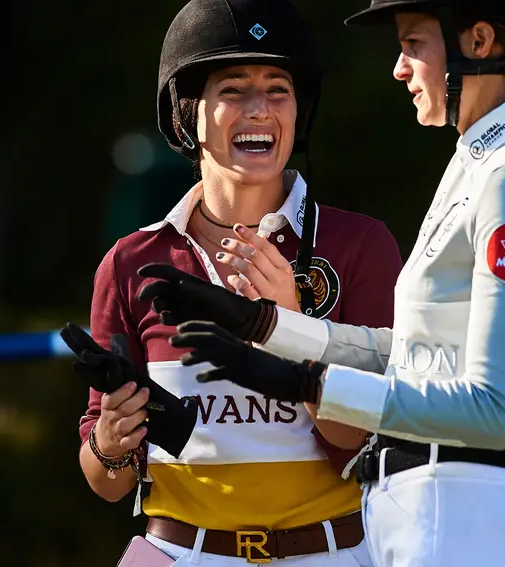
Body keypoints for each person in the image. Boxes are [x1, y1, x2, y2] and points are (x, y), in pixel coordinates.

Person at [138, 0, 505, 566]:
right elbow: (416, 357)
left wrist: (304, 385)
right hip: (437, 514)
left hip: (465, 517)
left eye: (412, 44)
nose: (400, 68)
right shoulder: (482, 164)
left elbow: (494, 410)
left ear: (479, 41)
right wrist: (269, 327)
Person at [71, 0, 403, 565]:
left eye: (278, 89)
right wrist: (110, 443)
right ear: (186, 113)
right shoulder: (130, 262)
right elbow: (106, 481)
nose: (259, 109)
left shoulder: (362, 246)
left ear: (300, 111)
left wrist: (292, 328)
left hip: (330, 551)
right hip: (176, 551)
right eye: (232, 89)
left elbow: (356, 440)